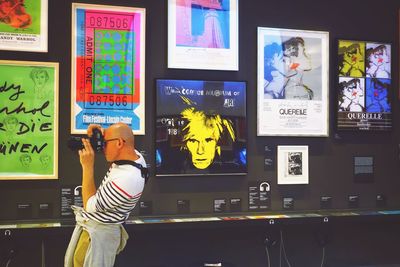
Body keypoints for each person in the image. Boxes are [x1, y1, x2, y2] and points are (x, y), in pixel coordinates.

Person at [65, 122, 147, 267]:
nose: (102, 148)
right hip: (98, 232)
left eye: (105, 143)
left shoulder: (127, 180)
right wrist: (97, 137)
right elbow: (116, 153)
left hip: (96, 237)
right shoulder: (135, 158)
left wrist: (87, 166)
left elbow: (89, 205)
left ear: (120, 143)